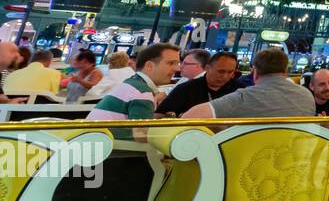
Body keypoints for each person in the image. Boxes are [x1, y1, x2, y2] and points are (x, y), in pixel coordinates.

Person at [183, 47, 316, 120]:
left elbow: (189, 117)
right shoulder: (307, 96)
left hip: (248, 165)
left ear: (255, 72)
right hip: (295, 164)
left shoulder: (244, 98)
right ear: (286, 71)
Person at [87, 43, 181, 136]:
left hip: (93, 140)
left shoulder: (133, 83)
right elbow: (141, 136)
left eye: (177, 63)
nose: (178, 68)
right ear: (149, 65)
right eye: (170, 63)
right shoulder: (142, 91)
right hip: (104, 146)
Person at [158, 51, 239, 115]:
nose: (225, 76)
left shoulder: (239, 90)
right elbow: (159, 114)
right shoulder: (186, 88)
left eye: (230, 72)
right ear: (207, 68)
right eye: (221, 71)